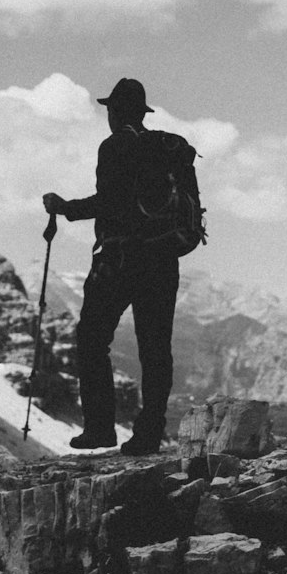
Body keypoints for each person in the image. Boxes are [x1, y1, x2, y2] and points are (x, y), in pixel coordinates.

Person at [42, 78, 180, 455]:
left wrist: (65, 207)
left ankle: (101, 427)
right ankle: (149, 433)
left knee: (91, 339)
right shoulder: (166, 149)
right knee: (155, 349)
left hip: (121, 259)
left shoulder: (115, 146)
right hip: (164, 259)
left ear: (114, 112)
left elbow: (110, 202)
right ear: (143, 113)